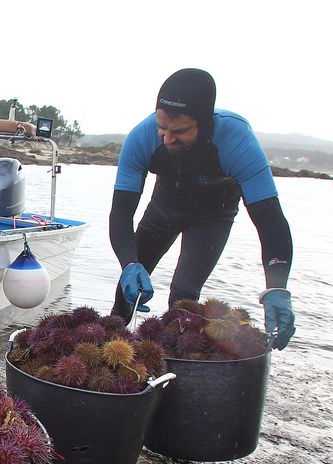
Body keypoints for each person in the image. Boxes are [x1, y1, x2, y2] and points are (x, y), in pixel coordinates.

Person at [109, 68, 296, 349]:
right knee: (127, 292)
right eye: (162, 127)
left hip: (213, 217)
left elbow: (270, 221)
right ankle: (111, 344)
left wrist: (277, 287)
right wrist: (129, 264)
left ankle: (179, 361)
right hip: (163, 210)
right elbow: (121, 213)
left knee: (183, 296)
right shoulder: (141, 138)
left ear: (205, 122)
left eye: (180, 130)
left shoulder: (238, 140)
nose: (168, 138)